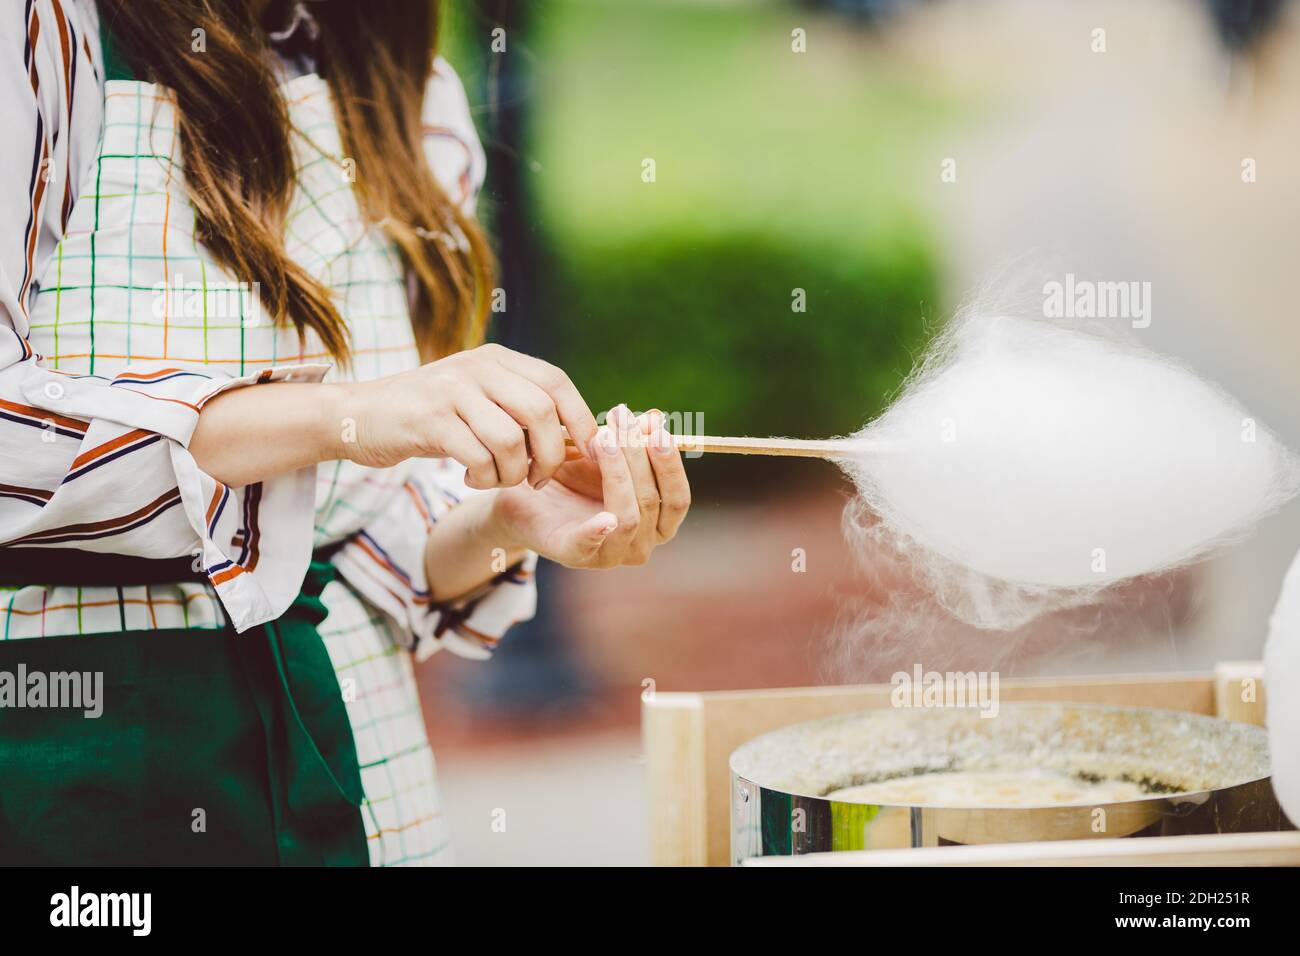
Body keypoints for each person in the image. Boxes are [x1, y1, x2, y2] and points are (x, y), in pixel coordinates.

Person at [0, 0, 690, 865]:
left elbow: (353, 530)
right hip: (73, 748)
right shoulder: (37, 28)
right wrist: (343, 419)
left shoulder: (401, 76)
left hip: (365, 765)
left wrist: (507, 519)